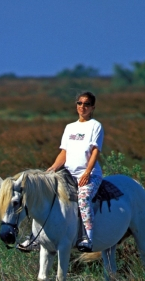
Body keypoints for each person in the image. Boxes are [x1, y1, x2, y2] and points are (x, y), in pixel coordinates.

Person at [48, 91, 104, 252]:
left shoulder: (95, 126)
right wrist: (52, 169)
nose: (82, 107)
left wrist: (87, 172)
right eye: (80, 103)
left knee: (84, 199)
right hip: (69, 175)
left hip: (90, 175)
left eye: (86, 104)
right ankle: (37, 237)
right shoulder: (70, 127)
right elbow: (63, 153)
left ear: (92, 107)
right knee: (45, 194)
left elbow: (95, 151)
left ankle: (87, 237)